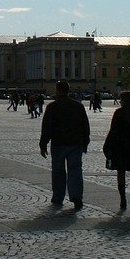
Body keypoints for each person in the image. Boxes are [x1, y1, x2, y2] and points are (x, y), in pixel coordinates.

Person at [39, 80, 90, 210]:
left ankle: (58, 197)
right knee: (75, 170)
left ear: (57, 90)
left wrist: (43, 143)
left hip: (58, 143)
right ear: (68, 90)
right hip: (75, 143)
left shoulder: (52, 107)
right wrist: (85, 142)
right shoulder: (78, 106)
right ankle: (76, 197)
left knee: (58, 171)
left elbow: (46, 127)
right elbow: (85, 126)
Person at [102, 90, 130, 214]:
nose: (120, 101)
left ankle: (123, 200)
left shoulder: (119, 113)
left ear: (124, 101)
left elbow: (113, 132)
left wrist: (106, 146)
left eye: (121, 99)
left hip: (120, 148)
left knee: (120, 173)